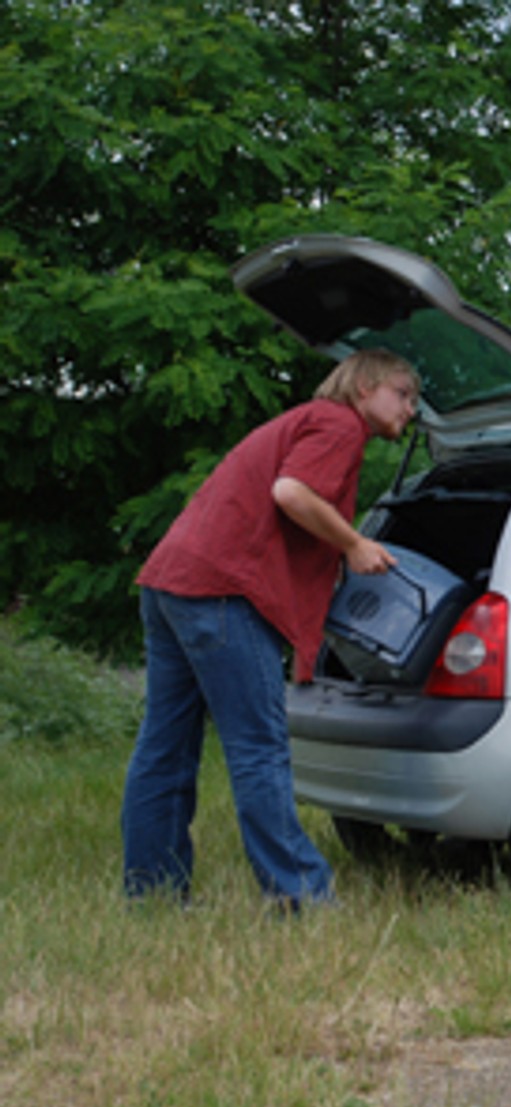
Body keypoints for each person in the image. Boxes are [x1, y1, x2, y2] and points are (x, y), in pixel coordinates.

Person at [121, 348, 419, 908]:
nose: (410, 409)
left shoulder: (303, 420)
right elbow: (292, 493)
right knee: (259, 748)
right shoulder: (338, 424)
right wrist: (353, 544)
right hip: (221, 594)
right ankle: (299, 896)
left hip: (169, 582)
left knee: (164, 746)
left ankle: (153, 893)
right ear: (365, 387)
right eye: (403, 394)